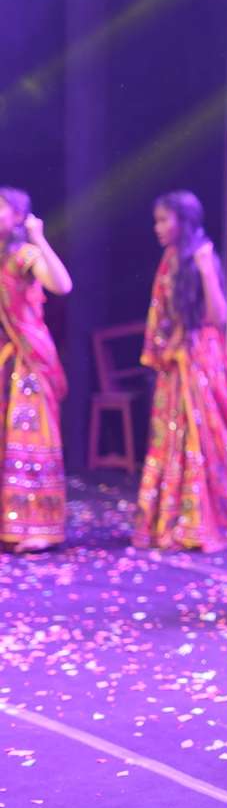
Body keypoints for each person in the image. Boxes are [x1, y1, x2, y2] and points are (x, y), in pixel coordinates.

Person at [134, 191, 227, 552]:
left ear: (184, 221)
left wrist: (205, 269)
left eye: (164, 220)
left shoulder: (202, 254)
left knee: (204, 438)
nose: (157, 228)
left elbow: (218, 315)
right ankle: (173, 520)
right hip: (175, 361)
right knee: (172, 439)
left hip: (201, 358)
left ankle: (203, 522)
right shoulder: (169, 259)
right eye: (156, 220)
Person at [0, 188, 72, 554]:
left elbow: (62, 285)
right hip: (4, 359)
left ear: (18, 217)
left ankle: (39, 525)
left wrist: (39, 238)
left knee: (30, 441)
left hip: (28, 361)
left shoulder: (24, 255)